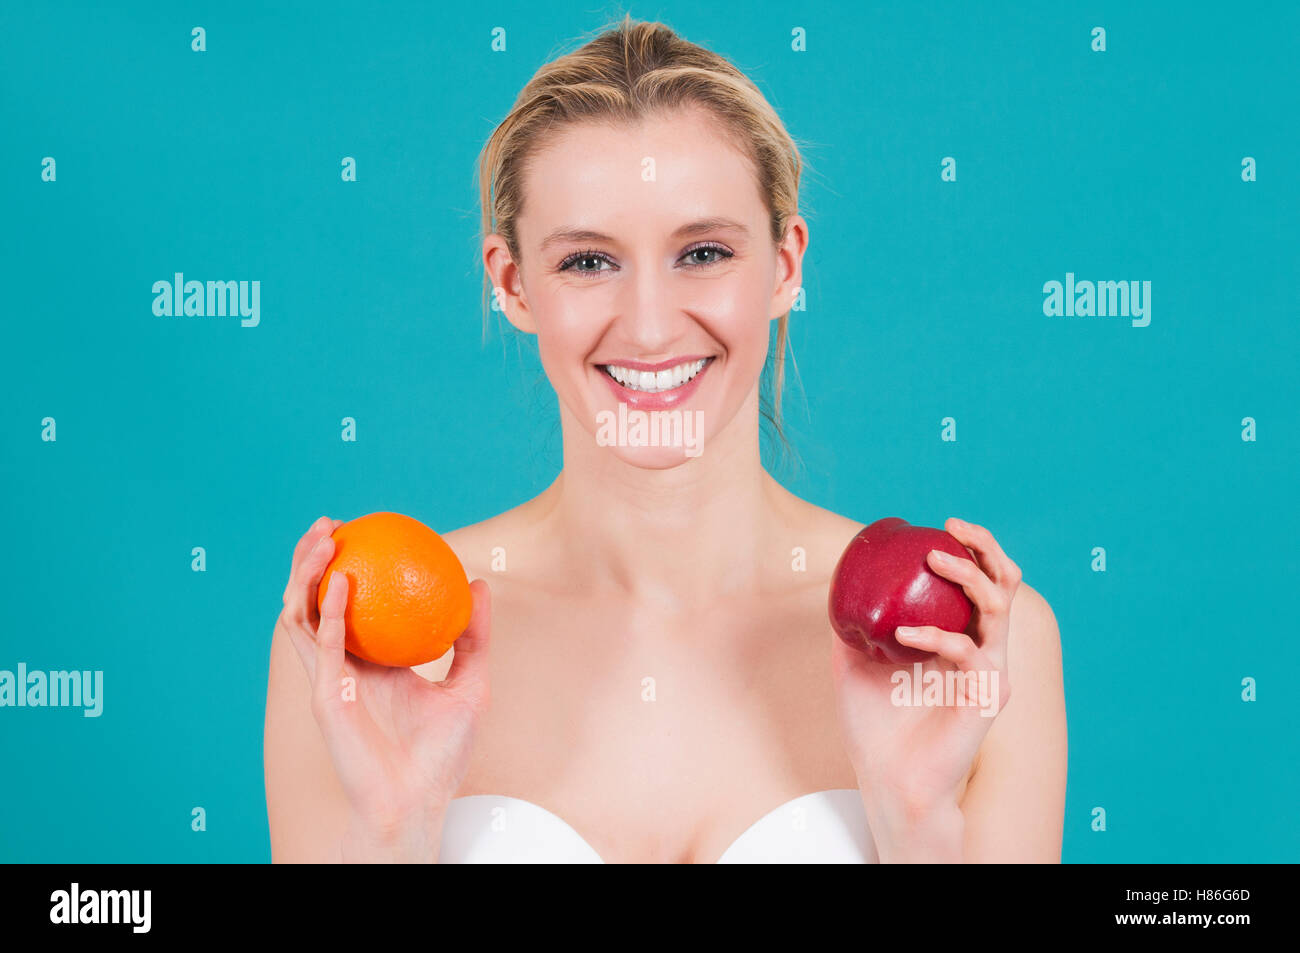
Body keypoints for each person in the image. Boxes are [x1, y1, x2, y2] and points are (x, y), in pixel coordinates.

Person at [264, 15, 1067, 863]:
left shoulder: (969, 649)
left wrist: (918, 828)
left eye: (705, 252)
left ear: (786, 265)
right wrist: (392, 832)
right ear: (513, 283)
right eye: (587, 262)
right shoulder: (365, 654)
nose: (648, 327)